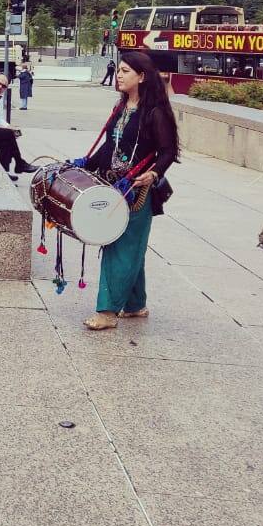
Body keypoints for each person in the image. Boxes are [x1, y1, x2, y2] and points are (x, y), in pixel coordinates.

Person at [77, 50, 179, 331]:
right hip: (113, 187)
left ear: (142, 77)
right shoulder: (121, 108)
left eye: (125, 71)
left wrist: (154, 173)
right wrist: (85, 163)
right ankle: (135, 305)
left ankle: (107, 311)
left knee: (120, 246)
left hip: (137, 192)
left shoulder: (156, 112)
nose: (118, 75)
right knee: (129, 246)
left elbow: (169, 150)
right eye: (119, 70)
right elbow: (110, 149)